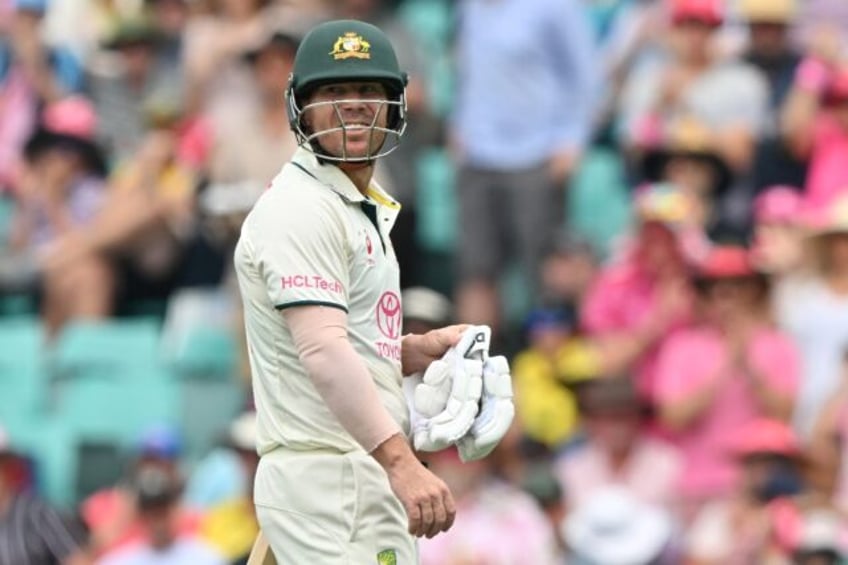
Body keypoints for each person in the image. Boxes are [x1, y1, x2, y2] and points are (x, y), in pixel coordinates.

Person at [233, 19, 473, 563]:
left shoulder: (353, 205)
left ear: (394, 106)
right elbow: (322, 350)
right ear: (301, 109)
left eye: (369, 91)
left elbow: (342, 343)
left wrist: (415, 350)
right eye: (334, 92)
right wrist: (402, 463)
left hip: (344, 474)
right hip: (332, 479)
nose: (353, 106)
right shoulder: (302, 207)